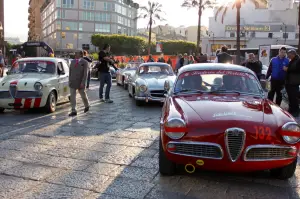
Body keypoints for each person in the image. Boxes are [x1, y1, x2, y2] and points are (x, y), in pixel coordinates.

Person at [68, 50, 90, 116]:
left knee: (83, 95)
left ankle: (87, 105)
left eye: (76, 53)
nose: (75, 54)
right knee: (72, 96)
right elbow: (70, 71)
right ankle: (73, 110)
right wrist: (70, 80)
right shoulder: (72, 61)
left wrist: (83, 83)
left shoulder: (85, 62)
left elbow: (85, 74)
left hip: (81, 82)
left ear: (81, 54)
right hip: (73, 82)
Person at [283, 49, 300, 116]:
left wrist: (287, 69)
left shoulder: (298, 60)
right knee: (290, 97)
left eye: (289, 54)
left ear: (293, 54)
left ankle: (295, 111)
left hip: (294, 83)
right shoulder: (292, 60)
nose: (288, 56)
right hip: (289, 82)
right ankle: (291, 109)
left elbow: (297, 69)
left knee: (294, 98)